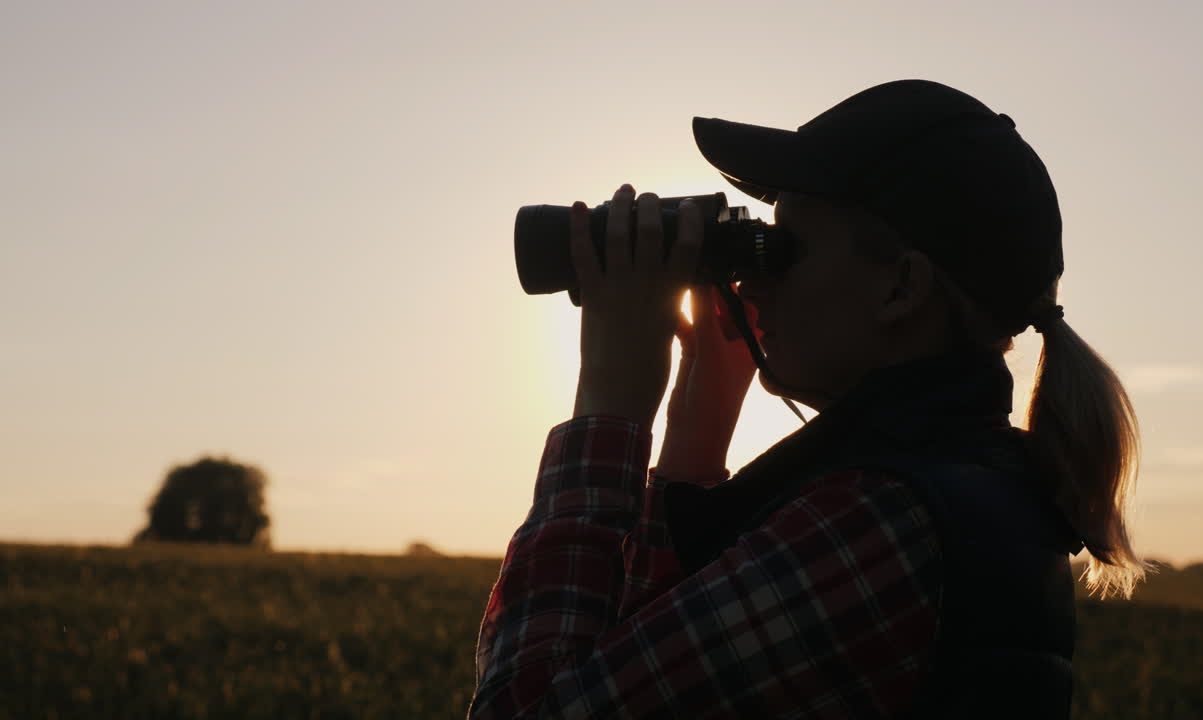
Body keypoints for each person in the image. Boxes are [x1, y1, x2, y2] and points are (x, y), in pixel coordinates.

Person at [469, 79, 1153, 719]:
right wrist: (699, 421)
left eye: (785, 248)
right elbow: (647, 654)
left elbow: (528, 706)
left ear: (900, 290)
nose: (754, 279)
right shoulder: (966, 481)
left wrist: (608, 407)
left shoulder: (882, 520)